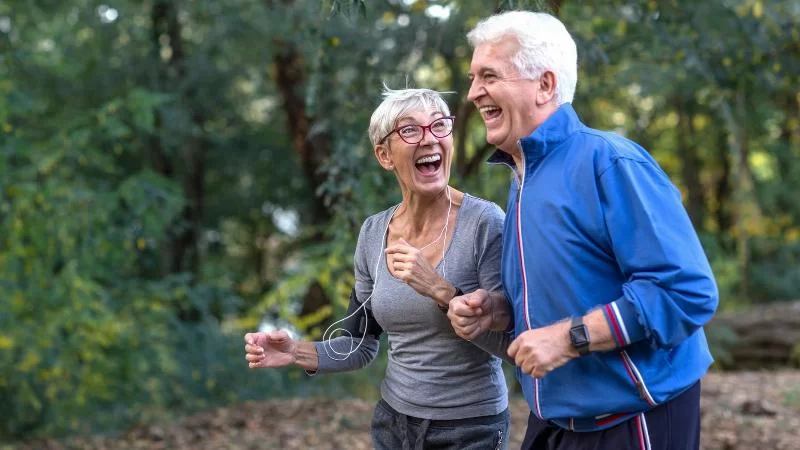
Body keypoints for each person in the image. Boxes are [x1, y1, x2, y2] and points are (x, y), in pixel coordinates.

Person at [447, 11, 719, 450]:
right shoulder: (522, 178)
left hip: (633, 417)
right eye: (474, 77)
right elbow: (577, 288)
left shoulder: (608, 162)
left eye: (490, 75)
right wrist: (503, 311)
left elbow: (685, 292)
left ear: (545, 85)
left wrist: (570, 338)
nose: (475, 92)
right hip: (555, 422)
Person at [244, 87, 513, 450]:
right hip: (393, 424)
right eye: (410, 130)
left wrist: (440, 291)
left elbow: (508, 341)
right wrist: (296, 352)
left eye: (439, 126)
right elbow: (360, 343)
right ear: (384, 155)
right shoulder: (374, 233)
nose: (428, 139)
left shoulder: (485, 223)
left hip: (471, 427)